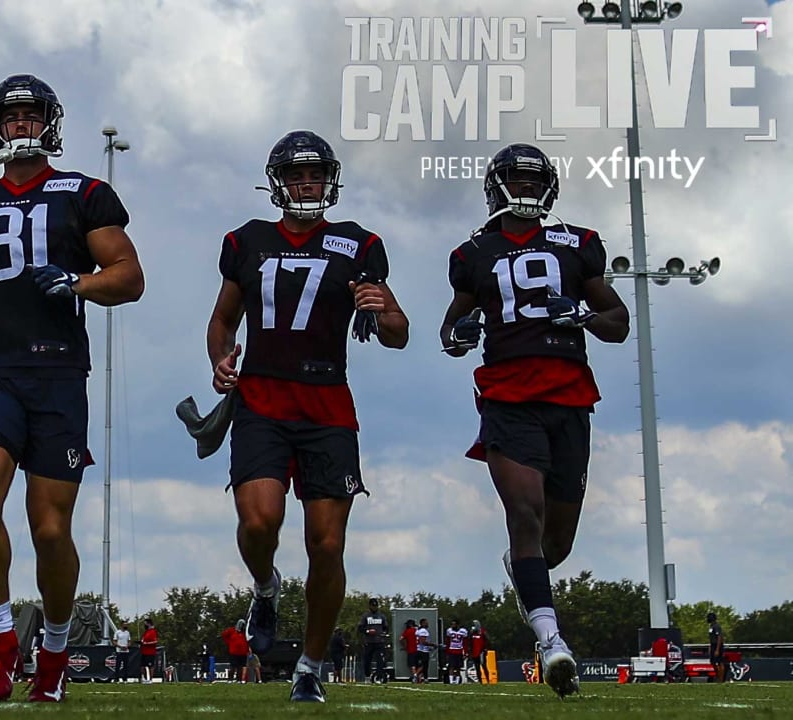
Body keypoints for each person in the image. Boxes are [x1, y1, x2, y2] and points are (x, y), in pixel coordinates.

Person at [0, 73, 144, 704]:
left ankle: (52, 650)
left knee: (50, 529)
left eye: (30, 116)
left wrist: (77, 283)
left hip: (55, 373)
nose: (20, 125)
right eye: (11, 116)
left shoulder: (85, 193)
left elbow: (129, 277)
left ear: (49, 123)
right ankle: (0, 645)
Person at [206, 130, 408, 704]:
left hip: (326, 402)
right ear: (277, 182)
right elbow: (222, 319)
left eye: (315, 174)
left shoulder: (358, 244)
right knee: (259, 523)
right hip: (263, 399)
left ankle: (310, 666)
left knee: (326, 545)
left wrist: (380, 309)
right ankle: (266, 588)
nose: (306, 183)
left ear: (329, 179)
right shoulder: (246, 241)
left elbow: (400, 332)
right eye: (296, 175)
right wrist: (221, 360)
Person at [440, 143, 629, 699]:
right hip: (507, 398)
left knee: (557, 542)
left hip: (569, 398)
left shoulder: (580, 244)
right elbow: (450, 333)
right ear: (497, 187)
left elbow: (618, 323)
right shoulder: (472, 254)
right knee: (525, 512)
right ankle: (551, 642)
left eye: (532, 182)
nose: (525, 191)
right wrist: (461, 333)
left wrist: (586, 316)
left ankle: (526, 576)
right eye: (517, 182)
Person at [357, 598, 390, 683]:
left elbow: (386, 627)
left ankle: (378, 677)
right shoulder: (365, 616)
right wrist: (368, 631)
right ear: (370, 606)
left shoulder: (381, 616)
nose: (374, 607)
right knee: (367, 660)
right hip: (369, 641)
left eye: (376, 606)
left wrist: (384, 633)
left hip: (379, 642)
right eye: (373, 606)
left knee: (380, 661)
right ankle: (367, 676)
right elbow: (360, 628)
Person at [444, 618, 467, 684]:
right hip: (452, 650)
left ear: (457, 625)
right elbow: (448, 641)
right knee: (451, 666)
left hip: (459, 650)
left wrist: (465, 652)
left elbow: (465, 643)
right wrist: (447, 652)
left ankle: (457, 682)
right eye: (452, 624)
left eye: (454, 624)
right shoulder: (449, 631)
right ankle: (451, 681)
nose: (452, 626)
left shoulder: (463, 631)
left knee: (458, 667)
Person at [707, 612, 726, 682]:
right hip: (712, 645)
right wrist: (710, 646)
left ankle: (721, 679)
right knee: (713, 662)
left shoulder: (717, 626)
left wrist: (717, 649)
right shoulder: (711, 627)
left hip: (717, 645)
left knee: (720, 662)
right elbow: (711, 638)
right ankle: (718, 675)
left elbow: (719, 637)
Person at [139, 618, 158, 684]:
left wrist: (147, 643)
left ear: (149, 623)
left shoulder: (153, 631)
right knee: (142, 665)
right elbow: (143, 640)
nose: (144, 625)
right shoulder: (146, 631)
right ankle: (143, 678)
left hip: (150, 652)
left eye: (145, 623)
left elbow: (155, 641)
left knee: (150, 666)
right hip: (144, 651)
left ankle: (150, 679)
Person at [415, 618, 433, 683]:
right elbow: (423, 642)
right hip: (423, 650)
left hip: (419, 649)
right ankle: (416, 676)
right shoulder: (423, 631)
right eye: (426, 622)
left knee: (422, 665)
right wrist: (433, 645)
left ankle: (422, 679)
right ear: (422, 623)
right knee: (424, 665)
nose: (427, 624)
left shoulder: (418, 630)